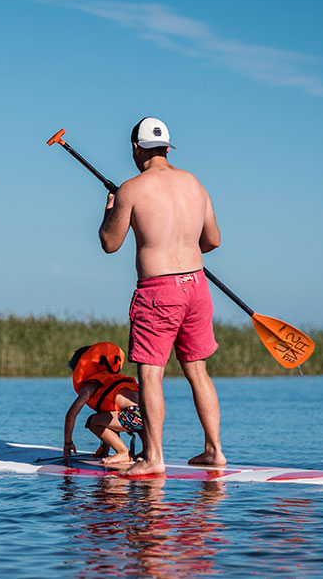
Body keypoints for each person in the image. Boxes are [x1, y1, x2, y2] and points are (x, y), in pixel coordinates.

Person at [97, 117, 225, 477]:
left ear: (136, 149)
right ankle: (214, 451)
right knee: (198, 371)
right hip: (197, 285)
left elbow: (110, 243)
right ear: (168, 148)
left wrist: (110, 210)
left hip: (159, 291)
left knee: (151, 375)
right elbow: (213, 240)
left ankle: (154, 458)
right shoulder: (195, 184)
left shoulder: (131, 189)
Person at [63, 343, 146, 465]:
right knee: (132, 414)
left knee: (92, 422)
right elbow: (110, 418)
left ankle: (123, 452)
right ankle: (147, 450)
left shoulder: (91, 385)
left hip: (133, 416)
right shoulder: (113, 380)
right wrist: (105, 448)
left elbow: (71, 414)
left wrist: (67, 443)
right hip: (149, 416)